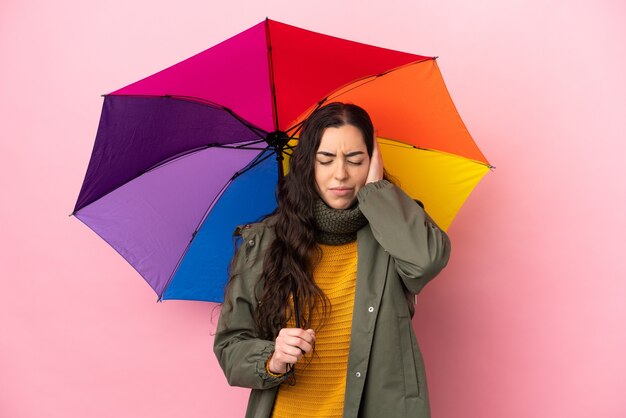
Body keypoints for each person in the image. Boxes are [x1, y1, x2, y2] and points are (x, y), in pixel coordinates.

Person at [214, 102, 451, 418]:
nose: (341, 174)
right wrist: (272, 356)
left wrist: (378, 191)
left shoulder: (392, 233)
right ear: (307, 164)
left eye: (356, 160)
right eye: (325, 160)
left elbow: (427, 261)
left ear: (373, 162)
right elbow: (230, 346)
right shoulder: (266, 241)